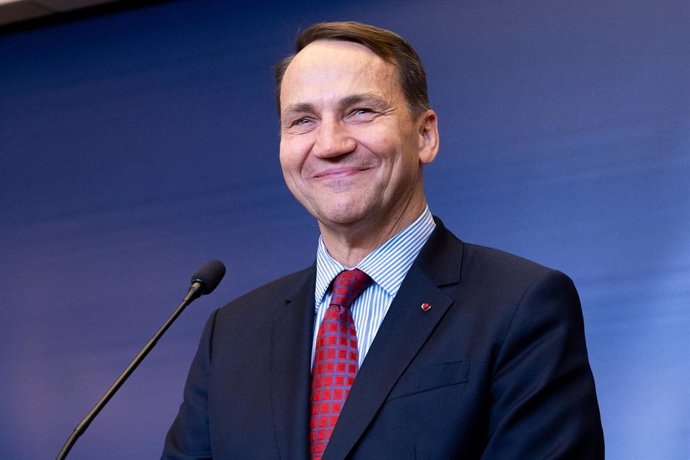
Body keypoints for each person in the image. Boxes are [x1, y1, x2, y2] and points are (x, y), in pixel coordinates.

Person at [162, 21, 604, 459]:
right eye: (303, 120)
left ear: (425, 135)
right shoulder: (233, 334)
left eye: (360, 111)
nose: (330, 143)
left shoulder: (521, 306)